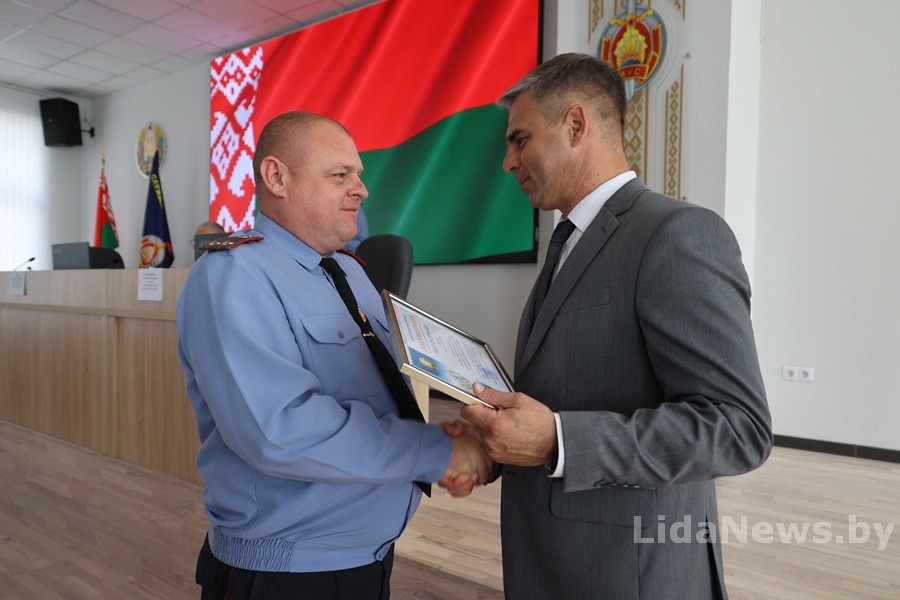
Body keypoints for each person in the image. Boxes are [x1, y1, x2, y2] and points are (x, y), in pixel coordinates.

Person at [457, 53, 773, 599]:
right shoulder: (567, 241)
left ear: (576, 125)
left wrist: (559, 441)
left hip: (630, 573)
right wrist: (502, 442)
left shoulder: (677, 234)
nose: (509, 162)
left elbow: (738, 428)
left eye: (520, 140)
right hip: (555, 561)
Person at [176, 111, 491, 600]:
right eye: (340, 175)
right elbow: (280, 430)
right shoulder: (233, 274)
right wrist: (437, 453)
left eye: (358, 175)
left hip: (368, 556)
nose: (361, 189)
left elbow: (381, 391)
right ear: (276, 177)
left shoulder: (350, 272)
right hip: (290, 574)